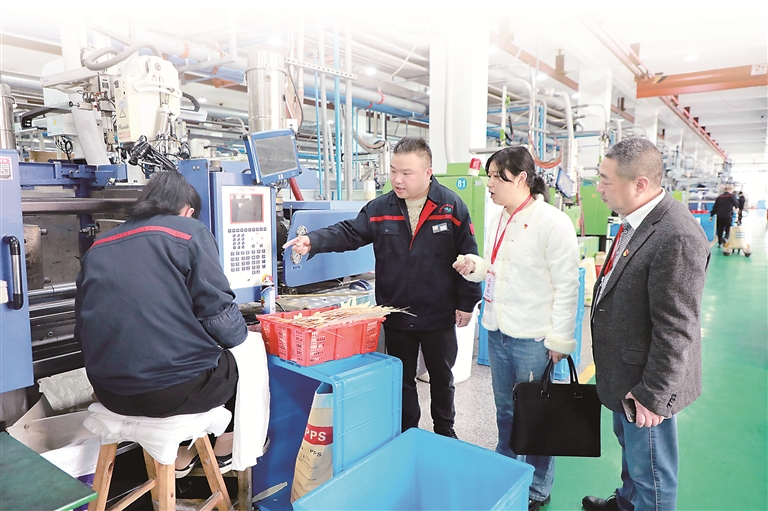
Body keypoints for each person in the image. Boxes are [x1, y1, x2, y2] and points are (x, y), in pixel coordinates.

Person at [283, 137, 482, 438]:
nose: (398, 180)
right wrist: (313, 240)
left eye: (407, 173)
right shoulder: (380, 208)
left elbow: (469, 256)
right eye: (393, 171)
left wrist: (467, 303)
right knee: (402, 379)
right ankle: (407, 432)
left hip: (438, 312)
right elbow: (349, 232)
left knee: (442, 378)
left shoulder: (451, 206)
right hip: (397, 311)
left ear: (428, 172)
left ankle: (445, 431)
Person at [75, 171, 247, 477]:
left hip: (109, 392)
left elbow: (82, 329)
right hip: (174, 393)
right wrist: (245, 332)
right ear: (188, 211)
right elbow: (222, 321)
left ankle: (181, 454)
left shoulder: (98, 246)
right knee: (241, 360)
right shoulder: (189, 231)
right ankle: (224, 449)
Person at [583, 138, 710, 511]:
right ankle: (626, 503)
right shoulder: (635, 220)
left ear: (640, 184)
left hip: (646, 382)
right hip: (624, 373)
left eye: (606, 180)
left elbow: (677, 328)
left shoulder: (677, 235)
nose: (599, 188)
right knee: (633, 455)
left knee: (653, 471)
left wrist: (654, 395)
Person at [452, 146, 580, 511]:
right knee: (506, 410)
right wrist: (474, 266)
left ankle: (538, 488)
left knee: (536, 415)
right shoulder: (500, 217)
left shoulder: (553, 222)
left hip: (533, 338)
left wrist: (559, 340)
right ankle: (506, 470)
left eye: (497, 177)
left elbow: (567, 286)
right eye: (489, 176)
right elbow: (497, 268)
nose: (490, 184)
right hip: (498, 331)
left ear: (522, 178)